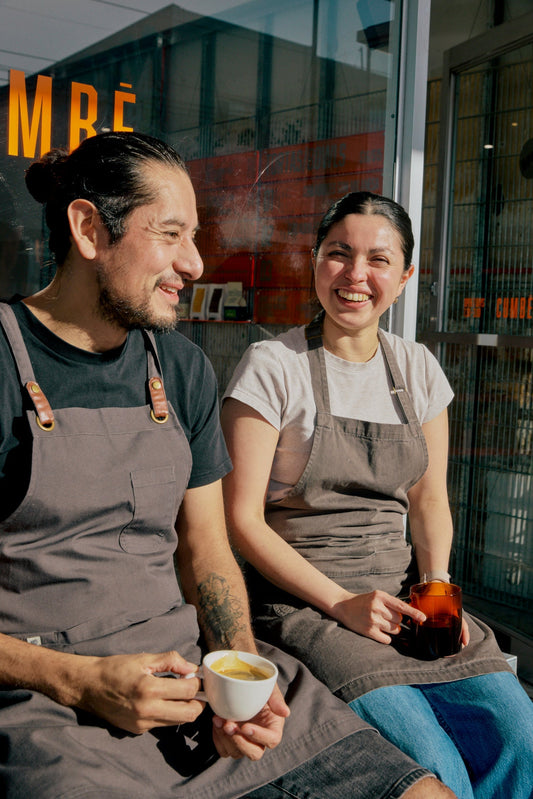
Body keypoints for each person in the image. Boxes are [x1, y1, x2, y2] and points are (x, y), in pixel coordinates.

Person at [0, 134, 456, 799]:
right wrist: (78, 680)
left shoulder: (178, 367)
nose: (194, 260)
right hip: (50, 705)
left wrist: (237, 671)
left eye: (195, 235)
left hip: (193, 677)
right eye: (171, 234)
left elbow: (209, 549)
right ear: (89, 229)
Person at [221, 190, 533, 799]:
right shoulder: (272, 366)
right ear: (315, 262)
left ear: (406, 275)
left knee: (520, 736)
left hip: (406, 604)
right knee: (432, 764)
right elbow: (241, 521)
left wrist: (438, 587)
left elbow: (429, 502)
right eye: (339, 254)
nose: (356, 276)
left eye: (379, 260)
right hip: (309, 607)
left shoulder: (419, 370)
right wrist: (340, 603)